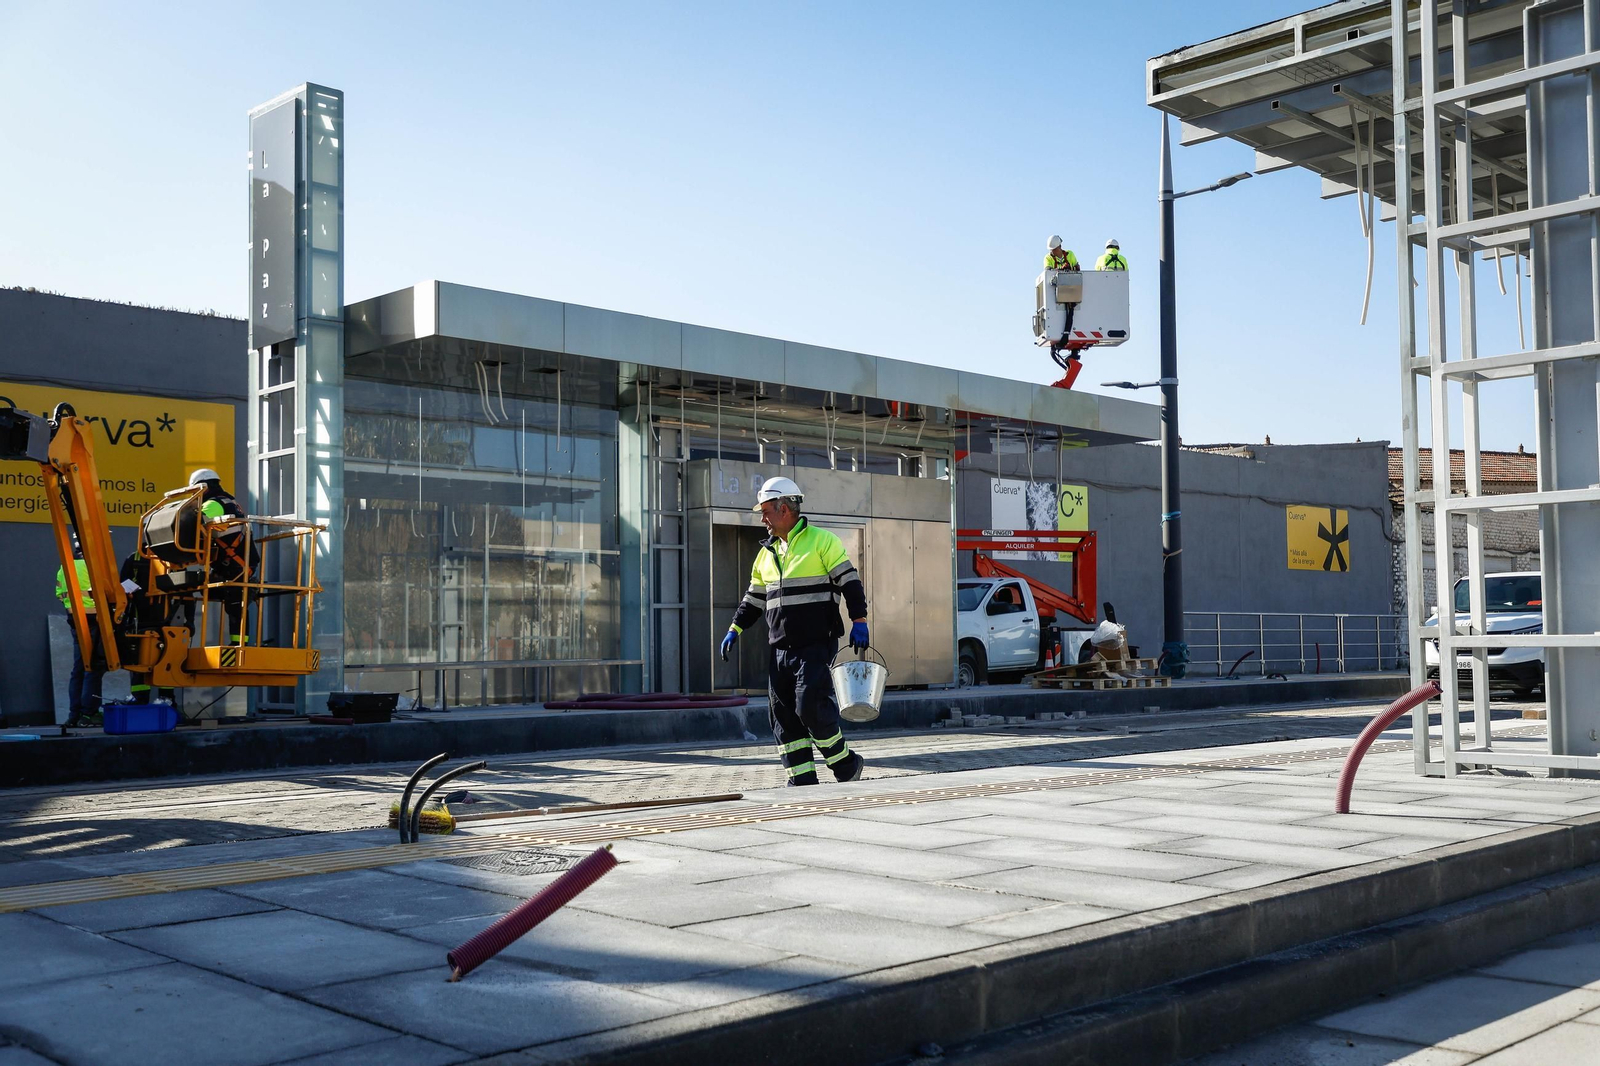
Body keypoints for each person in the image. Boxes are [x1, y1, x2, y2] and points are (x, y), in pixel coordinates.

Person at [721, 476, 868, 786]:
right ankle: (801, 779)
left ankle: (846, 765)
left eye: (765, 512)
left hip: (815, 644)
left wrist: (860, 621)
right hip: (780, 650)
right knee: (782, 715)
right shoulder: (766, 555)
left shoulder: (822, 541)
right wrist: (735, 627)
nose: (762, 519)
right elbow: (754, 600)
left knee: (810, 707)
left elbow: (850, 583)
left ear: (784, 508)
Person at [186, 468, 257, 645]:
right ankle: (239, 643)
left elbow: (193, 527)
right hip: (238, 562)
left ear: (204, 487)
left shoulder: (212, 504)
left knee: (233, 602)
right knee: (235, 601)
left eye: (196, 491)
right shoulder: (229, 501)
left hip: (234, 564)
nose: (196, 496)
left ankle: (238, 645)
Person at [55, 540, 103, 728]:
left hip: (75, 620)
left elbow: (60, 593)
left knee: (79, 668)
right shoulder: (94, 566)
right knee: (93, 668)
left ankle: (74, 714)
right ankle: (89, 714)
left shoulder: (65, 567)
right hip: (96, 621)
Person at [119, 549, 174, 705]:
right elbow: (122, 583)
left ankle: (167, 697)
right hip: (139, 618)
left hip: (165, 620)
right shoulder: (134, 558)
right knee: (139, 659)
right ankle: (140, 697)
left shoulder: (172, 556)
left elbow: (186, 590)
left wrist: (188, 620)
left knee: (167, 659)